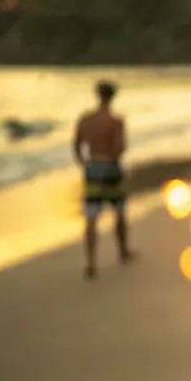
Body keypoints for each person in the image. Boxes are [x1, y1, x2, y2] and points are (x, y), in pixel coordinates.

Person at [73, 80, 135, 279]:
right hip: (110, 167)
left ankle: (91, 262)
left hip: (92, 167)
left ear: (97, 95)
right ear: (113, 97)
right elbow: (119, 148)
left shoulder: (86, 119)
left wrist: (85, 163)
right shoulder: (115, 121)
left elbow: (76, 145)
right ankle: (123, 250)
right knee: (119, 212)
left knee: (91, 216)